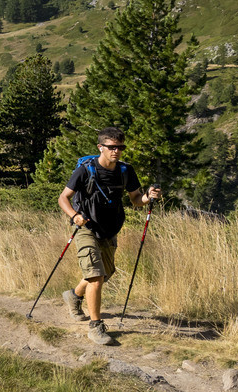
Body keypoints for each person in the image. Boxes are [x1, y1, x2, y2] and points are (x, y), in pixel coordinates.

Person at [57, 126, 161, 345]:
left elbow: (135, 199)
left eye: (120, 147)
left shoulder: (125, 171)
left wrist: (147, 197)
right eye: (112, 147)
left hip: (110, 229)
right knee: (95, 275)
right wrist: (75, 215)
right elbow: (63, 198)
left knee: (105, 273)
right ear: (100, 147)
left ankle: (74, 296)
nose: (117, 151)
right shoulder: (85, 170)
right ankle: (96, 327)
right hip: (86, 227)